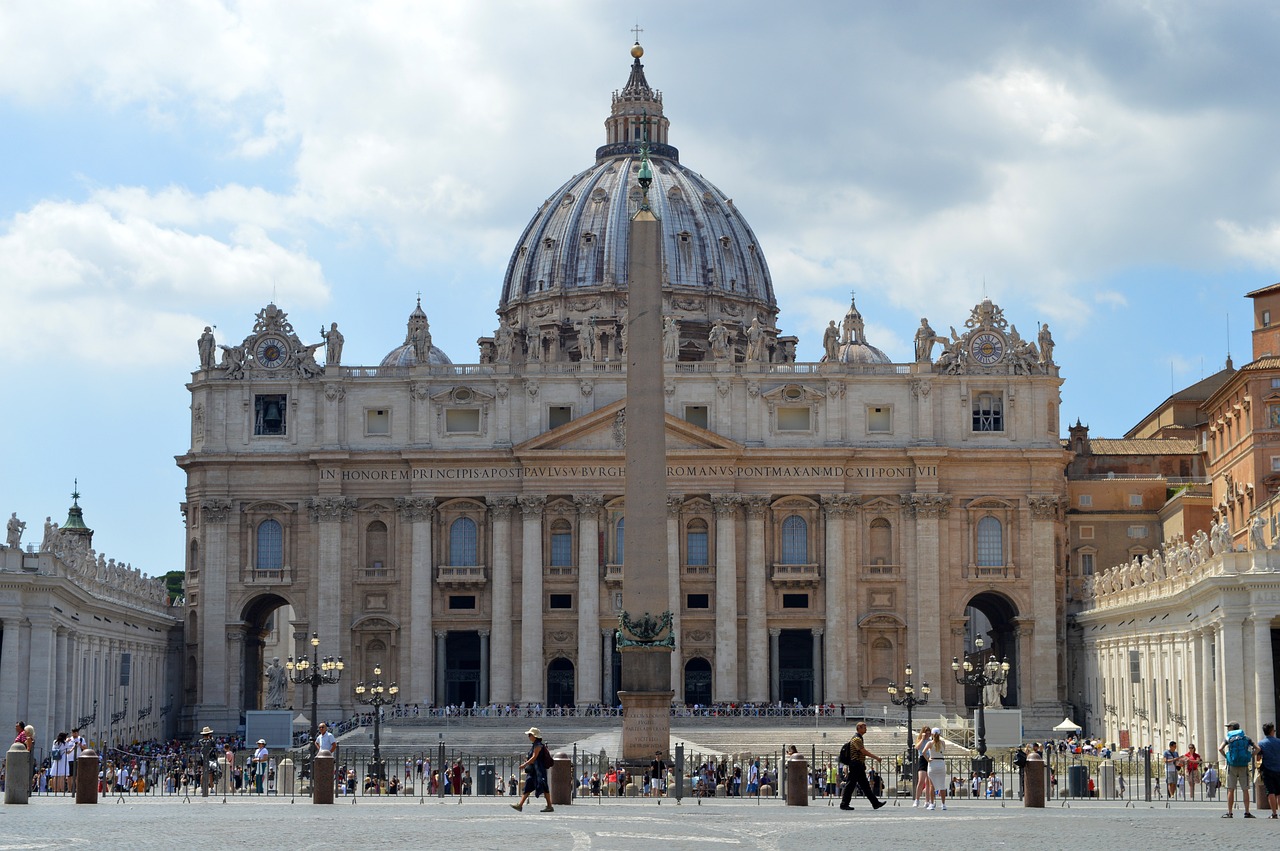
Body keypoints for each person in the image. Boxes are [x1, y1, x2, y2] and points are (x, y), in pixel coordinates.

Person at [838, 721, 886, 811]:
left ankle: (875, 803)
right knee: (850, 784)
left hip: (858, 765)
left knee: (865, 785)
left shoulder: (859, 738)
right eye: (864, 727)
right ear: (859, 728)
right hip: (855, 764)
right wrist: (876, 757)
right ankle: (844, 804)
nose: (866, 728)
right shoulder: (857, 739)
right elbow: (863, 751)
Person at [1219, 720, 1257, 817]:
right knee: (1245, 789)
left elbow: (1220, 748)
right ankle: (1247, 812)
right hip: (1243, 765)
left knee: (1231, 789)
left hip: (1232, 765)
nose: (1227, 728)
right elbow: (1258, 749)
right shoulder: (1246, 737)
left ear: (1232, 727)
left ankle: (1230, 812)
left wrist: (1227, 757)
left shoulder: (1228, 737)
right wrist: (1249, 756)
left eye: (1228, 727)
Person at [511, 726, 553, 813]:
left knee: (544, 787)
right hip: (535, 770)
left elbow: (534, 757)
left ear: (534, 736)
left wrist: (524, 764)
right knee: (529, 786)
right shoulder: (535, 745)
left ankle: (549, 806)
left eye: (529, 735)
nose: (529, 736)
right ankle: (520, 805)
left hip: (539, 771)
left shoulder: (538, 745)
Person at [1257, 722, 1280, 818]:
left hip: (1267, 769)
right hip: (1279, 769)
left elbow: (1258, 759)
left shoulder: (1261, 743)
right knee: (1279, 792)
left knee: (1271, 792)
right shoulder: (1279, 741)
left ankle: (1274, 813)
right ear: (1271, 731)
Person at [922, 728, 948, 810]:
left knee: (931, 785)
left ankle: (932, 804)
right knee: (942, 785)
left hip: (933, 763)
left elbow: (923, 752)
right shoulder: (943, 743)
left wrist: (928, 759)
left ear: (932, 734)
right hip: (941, 763)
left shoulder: (930, 743)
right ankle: (943, 804)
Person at [912, 725, 932, 807]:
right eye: (926, 733)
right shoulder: (921, 740)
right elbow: (917, 747)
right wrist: (923, 739)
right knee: (921, 780)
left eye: (929, 733)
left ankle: (927, 801)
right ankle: (917, 800)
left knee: (928, 782)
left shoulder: (931, 740)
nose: (927, 735)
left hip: (930, 759)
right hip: (922, 759)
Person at [198, 726, 218, 797]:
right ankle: (212, 788)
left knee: (202, 773)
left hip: (202, 758)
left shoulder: (200, 741)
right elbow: (214, 748)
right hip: (210, 758)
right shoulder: (211, 741)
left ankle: (202, 788)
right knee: (210, 773)